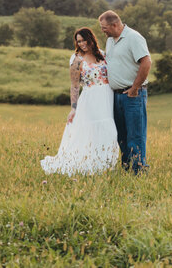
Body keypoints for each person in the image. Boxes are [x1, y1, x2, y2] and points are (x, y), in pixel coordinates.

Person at [40, 28, 118, 176]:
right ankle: (90, 163)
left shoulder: (102, 54)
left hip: (107, 96)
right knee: (92, 130)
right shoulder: (77, 59)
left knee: (109, 129)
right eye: (79, 41)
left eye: (84, 40)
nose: (81, 43)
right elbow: (75, 85)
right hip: (91, 98)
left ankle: (106, 163)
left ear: (91, 39)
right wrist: (73, 108)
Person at [99, 10, 151, 174]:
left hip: (133, 95)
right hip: (116, 96)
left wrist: (134, 88)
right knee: (121, 135)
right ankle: (127, 167)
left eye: (104, 28)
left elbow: (146, 62)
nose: (103, 31)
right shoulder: (111, 41)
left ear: (114, 25)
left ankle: (138, 170)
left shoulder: (133, 38)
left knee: (135, 135)